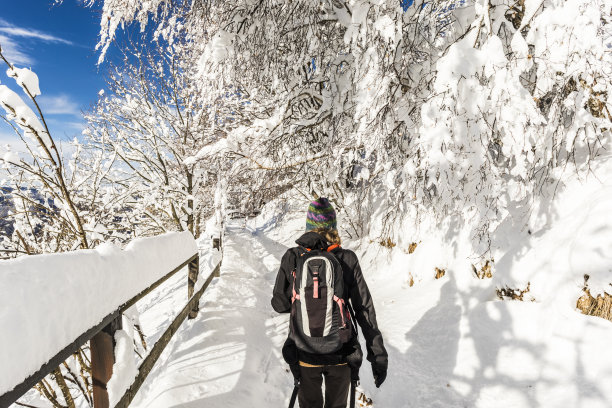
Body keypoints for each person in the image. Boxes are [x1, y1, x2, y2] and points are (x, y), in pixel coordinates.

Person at [271, 197, 388, 408]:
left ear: (308, 226)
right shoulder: (347, 258)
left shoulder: (292, 257)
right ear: (332, 226)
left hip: (304, 350)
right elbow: (364, 309)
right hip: (341, 352)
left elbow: (279, 304)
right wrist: (377, 354)